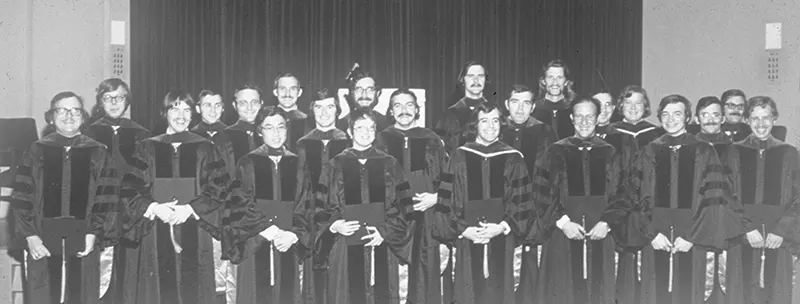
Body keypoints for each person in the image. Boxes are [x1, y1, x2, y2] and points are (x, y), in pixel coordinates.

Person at [624, 94, 750, 304]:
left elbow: (713, 201)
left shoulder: (704, 151)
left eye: (677, 113)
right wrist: (651, 234)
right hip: (656, 239)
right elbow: (636, 196)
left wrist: (691, 236)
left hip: (692, 240)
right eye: (665, 114)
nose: (670, 119)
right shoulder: (649, 151)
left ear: (687, 117)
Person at [118, 90, 231, 304]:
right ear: (165, 112)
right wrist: (153, 207)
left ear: (193, 114)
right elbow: (130, 190)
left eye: (187, 110)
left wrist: (191, 209)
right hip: (155, 232)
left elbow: (220, 188)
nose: (181, 115)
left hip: (196, 231)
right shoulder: (148, 147)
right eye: (174, 108)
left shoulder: (205, 147)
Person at [9, 92, 117, 303]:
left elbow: (106, 198)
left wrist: (94, 233)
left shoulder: (98, 152)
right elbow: (22, 197)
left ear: (83, 117)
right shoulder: (36, 150)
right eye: (62, 110)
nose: (69, 115)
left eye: (75, 110)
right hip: (42, 238)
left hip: (84, 236)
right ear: (51, 116)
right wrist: (30, 236)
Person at [432, 102, 538, 304]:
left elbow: (523, 202)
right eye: (484, 120)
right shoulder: (459, 156)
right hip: (467, 238)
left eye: (495, 120)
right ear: (475, 125)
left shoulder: (514, 158)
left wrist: (502, 227)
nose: (491, 126)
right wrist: (463, 230)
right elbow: (447, 200)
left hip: (502, 237)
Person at [315, 109, 414, 304]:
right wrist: (335, 225)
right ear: (350, 131)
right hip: (344, 244)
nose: (366, 133)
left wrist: (385, 232)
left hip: (382, 243)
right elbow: (320, 206)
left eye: (371, 128)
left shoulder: (390, 164)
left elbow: (405, 207)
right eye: (360, 128)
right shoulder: (334, 165)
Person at [535, 97, 625, 304]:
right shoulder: (555, 151)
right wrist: (563, 222)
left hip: (601, 233)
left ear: (598, 118)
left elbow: (623, 193)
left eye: (590, 116)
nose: (584, 122)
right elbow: (541, 192)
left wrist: (607, 223)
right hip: (563, 234)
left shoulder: (610, 152)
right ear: (571, 119)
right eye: (579, 116)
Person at [221, 108, 312, 304]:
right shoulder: (247, 163)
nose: (276, 133)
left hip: (288, 243)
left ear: (287, 129)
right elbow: (238, 205)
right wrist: (266, 229)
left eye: (281, 127)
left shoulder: (297, 164)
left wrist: (294, 234)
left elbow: (306, 204)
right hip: (255, 242)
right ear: (259, 131)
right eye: (269, 127)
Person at [723, 96, 800, 304]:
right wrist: (746, 229)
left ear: (774, 119)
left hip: (778, 238)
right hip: (744, 235)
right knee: (741, 292)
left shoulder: (789, 153)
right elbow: (725, 194)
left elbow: (798, 197)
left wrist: (781, 231)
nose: (761, 124)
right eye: (755, 118)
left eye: (766, 117)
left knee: (776, 294)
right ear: (746, 120)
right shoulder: (734, 151)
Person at [82, 78, 151, 303]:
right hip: (100, 211)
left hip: (130, 212)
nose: (114, 102)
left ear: (127, 101)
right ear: (100, 101)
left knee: (129, 272)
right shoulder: (87, 133)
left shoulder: (142, 134)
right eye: (108, 97)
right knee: (99, 274)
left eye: (119, 97)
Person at [376, 89, 447, 304]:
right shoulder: (381, 139)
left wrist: (436, 198)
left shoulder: (432, 139)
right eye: (398, 105)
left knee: (424, 270)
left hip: (425, 214)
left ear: (417, 109)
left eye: (409, 105)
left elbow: (448, 176)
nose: (404, 110)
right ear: (390, 110)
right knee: (388, 274)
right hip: (392, 216)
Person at [497, 85, 554, 304]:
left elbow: (549, 176)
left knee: (529, 275)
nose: (520, 109)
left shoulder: (544, 132)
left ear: (533, 106)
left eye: (526, 103)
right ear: (506, 104)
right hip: (501, 213)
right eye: (515, 102)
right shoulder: (497, 128)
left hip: (533, 212)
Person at [295, 88, 351, 304]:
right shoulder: (302, 144)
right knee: (312, 279)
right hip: (310, 219)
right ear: (312, 112)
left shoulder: (347, 142)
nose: (324, 112)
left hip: (340, 216)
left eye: (330, 107)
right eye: (319, 107)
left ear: (337, 110)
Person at [435, 61, 490, 153]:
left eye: (480, 76)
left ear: (485, 80)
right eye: (471, 76)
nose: (476, 80)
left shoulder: (493, 113)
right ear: (463, 80)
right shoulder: (450, 115)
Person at [530, 59, 577, 140]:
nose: (555, 82)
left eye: (559, 77)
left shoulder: (575, 108)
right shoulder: (533, 109)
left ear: (566, 82)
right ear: (543, 81)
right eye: (550, 77)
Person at [336, 68, 389, 132]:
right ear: (352, 93)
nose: (364, 95)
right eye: (359, 89)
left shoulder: (387, 125)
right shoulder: (340, 126)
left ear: (377, 93)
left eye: (370, 90)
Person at [270, 73, 311, 152]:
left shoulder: (309, 122)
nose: (287, 94)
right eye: (282, 89)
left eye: (292, 89)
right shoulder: (264, 118)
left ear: (299, 92)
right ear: (275, 92)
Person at [225, 84, 266, 163]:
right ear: (234, 105)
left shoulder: (269, 133)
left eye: (254, 102)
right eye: (243, 103)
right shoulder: (225, 136)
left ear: (261, 104)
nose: (249, 108)